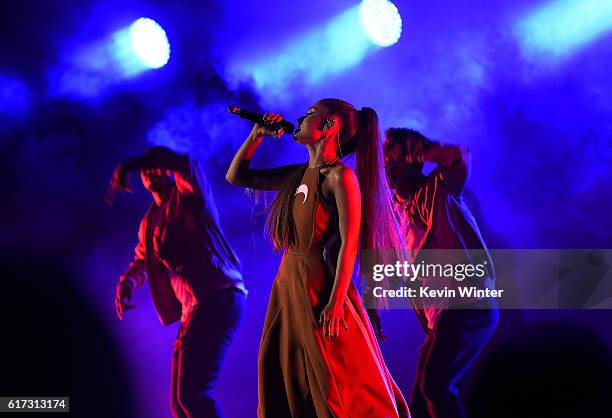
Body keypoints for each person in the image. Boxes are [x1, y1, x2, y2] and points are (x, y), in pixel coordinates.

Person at [226, 99, 410, 418]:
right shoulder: (299, 175)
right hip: (288, 285)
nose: (300, 118)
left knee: (334, 379)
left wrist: (337, 299)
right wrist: (256, 134)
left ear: (329, 126)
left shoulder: (340, 177)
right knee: (282, 371)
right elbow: (236, 176)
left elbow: (350, 240)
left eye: (310, 114)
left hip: (319, 288)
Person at [109, 146, 247, 418]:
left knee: (193, 396)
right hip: (194, 309)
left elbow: (187, 163)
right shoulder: (150, 222)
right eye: (145, 168)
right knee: (179, 405)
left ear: (167, 169)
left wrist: (133, 160)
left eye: (155, 163)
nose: (149, 170)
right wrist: (126, 283)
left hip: (219, 297)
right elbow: (142, 260)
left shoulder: (191, 195)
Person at [383, 128, 499, 418]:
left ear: (409, 158)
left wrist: (422, 150)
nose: (383, 160)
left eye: (390, 153)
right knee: (421, 403)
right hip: (442, 315)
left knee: (436, 386)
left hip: (467, 303)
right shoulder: (396, 211)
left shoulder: (440, 187)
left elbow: (458, 156)